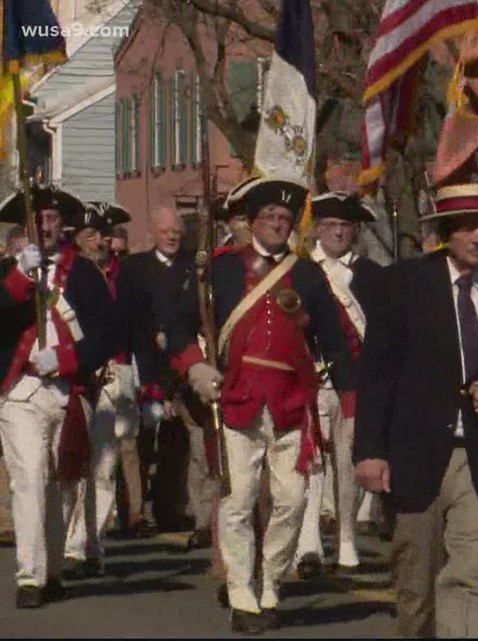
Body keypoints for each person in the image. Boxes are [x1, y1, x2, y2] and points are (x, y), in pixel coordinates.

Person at [161, 176, 352, 634]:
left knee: (292, 501)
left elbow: (335, 340)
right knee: (238, 502)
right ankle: (244, 596)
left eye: (286, 219)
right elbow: (179, 325)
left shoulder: (307, 274)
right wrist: (195, 369)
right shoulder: (221, 269)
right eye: (270, 217)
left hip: (290, 403)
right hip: (237, 398)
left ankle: (272, 581)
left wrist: (352, 401)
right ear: (251, 222)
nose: (278, 225)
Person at [354, 182, 478, 638]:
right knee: (417, 588)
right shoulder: (404, 286)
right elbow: (377, 375)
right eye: (467, 229)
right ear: (445, 233)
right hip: (413, 455)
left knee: (472, 575)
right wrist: (369, 452)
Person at [0, 186, 115, 608]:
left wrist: (66, 358)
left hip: (70, 389)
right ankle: (29, 576)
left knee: (63, 485)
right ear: (26, 226)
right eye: (37, 219)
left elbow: (106, 333)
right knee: (29, 478)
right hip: (21, 391)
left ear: (62, 225)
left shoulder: (82, 273)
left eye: (51, 219)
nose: (45, 226)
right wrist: (18, 277)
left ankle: (50, 570)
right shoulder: (9, 271)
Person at [293, 191, 384, 578]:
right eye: (331, 225)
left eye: (346, 226)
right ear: (316, 230)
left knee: (347, 464)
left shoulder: (371, 276)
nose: (338, 233)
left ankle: (347, 539)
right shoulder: (300, 272)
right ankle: (309, 541)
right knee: (311, 462)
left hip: (354, 381)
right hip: (311, 379)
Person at [117, 208, 208, 545]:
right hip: (145, 362)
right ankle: (136, 511)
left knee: (182, 442)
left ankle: (176, 509)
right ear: (153, 232)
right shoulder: (134, 268)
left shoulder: (193, 267)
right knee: (138, 443)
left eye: (177, 231)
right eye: (166, 230)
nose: (172, 236)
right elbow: (127, 318)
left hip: (185, 364)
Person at [61, 202, 137, 580]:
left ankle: (92, 541)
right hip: (79, 375)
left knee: (105, 467)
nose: (99, 241)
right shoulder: (69, 277)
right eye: (89, 235)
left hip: (116, 373)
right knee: (74, 464)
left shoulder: (125, 275)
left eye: (102, 234)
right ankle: (72, 545)